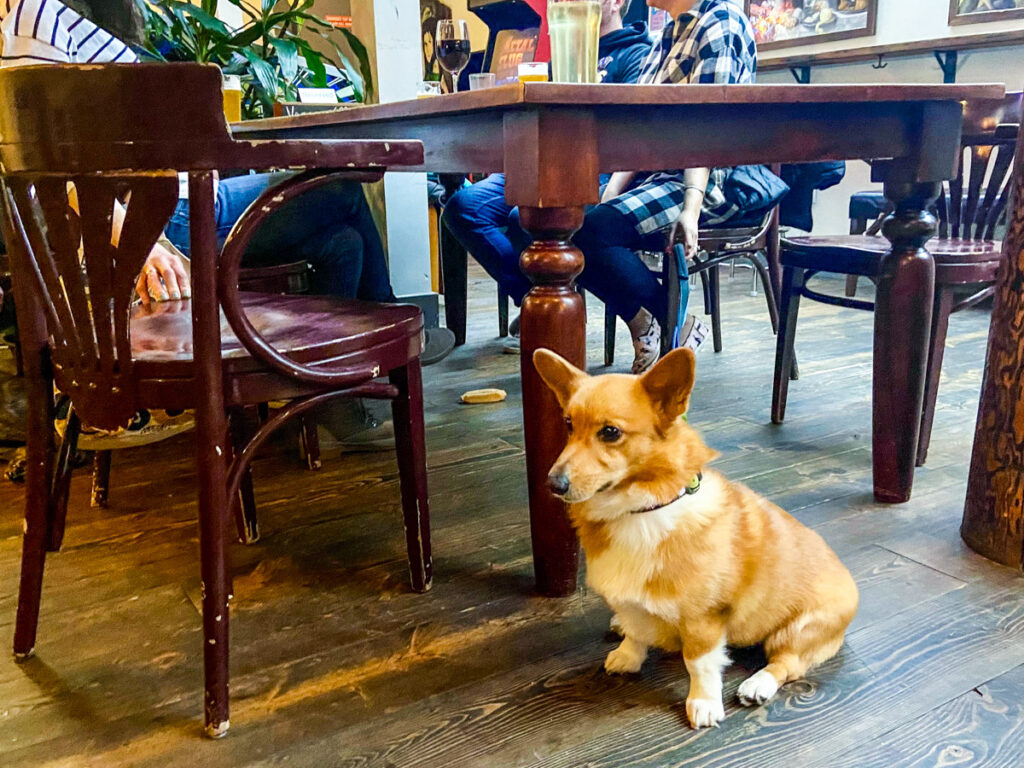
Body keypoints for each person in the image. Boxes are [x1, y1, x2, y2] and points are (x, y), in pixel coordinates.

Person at [0, 0, 452, 449]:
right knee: (341, 188)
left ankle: (323, 397)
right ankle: (385, 335)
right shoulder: (37, 12)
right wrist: (141, 239)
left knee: (342, 241)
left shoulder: (94, 15)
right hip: (166, 218)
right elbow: (39, 161)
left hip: (187, 202)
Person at [441, 0, 650, 349]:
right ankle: (537, 299)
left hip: (594, 171)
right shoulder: (565, 55)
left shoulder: (636, 56)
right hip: (542, 163)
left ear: (616, 3)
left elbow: (633, 136)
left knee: (528, 216)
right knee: (463, 207)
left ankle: (630, 313)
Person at [567, 0, 758, 373]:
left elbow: (705, 130)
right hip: (659, 177)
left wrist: (691, 207)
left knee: (588, 230)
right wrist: (610, 193)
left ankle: (667, 324)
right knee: (567, 226)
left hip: (710, 182)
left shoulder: (720, 22)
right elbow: (640, 130)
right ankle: (662, 324)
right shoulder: (668, 33)